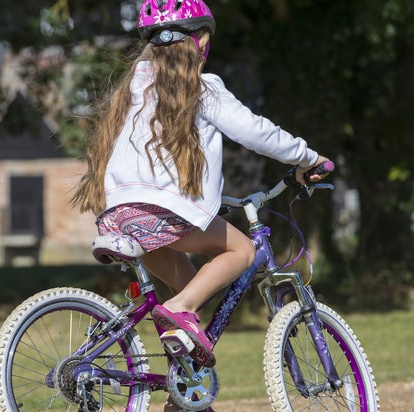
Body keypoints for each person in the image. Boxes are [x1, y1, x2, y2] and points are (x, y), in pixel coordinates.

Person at [71, 0, 331, 371]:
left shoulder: (133, 89)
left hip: (118, 216)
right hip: (163, 215)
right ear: (201, 42)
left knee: (192, 292)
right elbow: (255, 131)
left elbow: (153, 166)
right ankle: (180, 309)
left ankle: (186, 394)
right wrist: (307, 158)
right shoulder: (202, 89)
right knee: (239, 252)